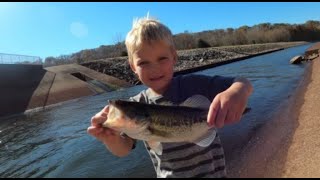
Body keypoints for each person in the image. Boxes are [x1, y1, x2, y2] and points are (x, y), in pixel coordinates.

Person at [87, 16, 253, 178]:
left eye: (162, 58)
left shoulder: (195, 84)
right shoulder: (137, 104)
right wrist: (110, 138)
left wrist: (237, 91)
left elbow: (243, 82)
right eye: (143, 63)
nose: (154, 68)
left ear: (174, 57)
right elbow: (124, 149)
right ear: (132, 67)